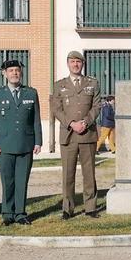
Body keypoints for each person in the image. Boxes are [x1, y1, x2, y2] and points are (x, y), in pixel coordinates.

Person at [0, 59, 42, 225]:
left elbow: (36, 120)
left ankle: (20, 213)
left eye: (17, 70)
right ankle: (7, 213)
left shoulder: (31, 93)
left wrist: (38, 141)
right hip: (4, 146)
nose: (14, 73)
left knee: (22, 180)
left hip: (26, 144)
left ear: (21, 73)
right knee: (7, 180)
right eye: (11, 71)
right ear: (4, 74)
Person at [50, 51, 102, 220]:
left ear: (82, 64)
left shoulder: (92, 83)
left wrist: (85, 122)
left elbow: (97, 106)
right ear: (68, 64)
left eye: (78, 62)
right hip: (69, 135)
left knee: (89, 173)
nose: (75, 65)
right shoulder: (59, 85)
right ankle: (68, 208)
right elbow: (56, 109)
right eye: (72, 62)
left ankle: (90, 207)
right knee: (68, 174)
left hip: (87, 134)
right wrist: (72, 123)